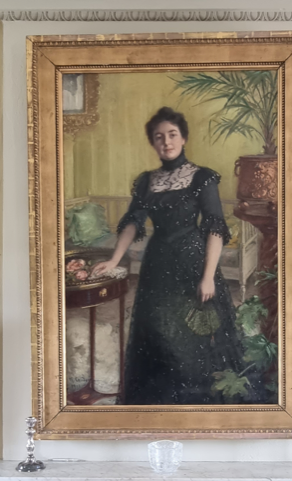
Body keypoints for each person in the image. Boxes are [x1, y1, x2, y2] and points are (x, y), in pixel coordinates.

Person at [91, 107, 244, 405]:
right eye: (159, 137)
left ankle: (193, 400)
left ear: (183, 138)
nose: (166, 142)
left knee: (193, 332)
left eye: (172, 134)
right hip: (157, 265)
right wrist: (114, 259)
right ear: (153, 143)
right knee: (158, 331)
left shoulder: (202, 177)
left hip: (193, 264)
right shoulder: (146, 181)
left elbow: (214, 228)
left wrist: (208, 277)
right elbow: (133, 222)